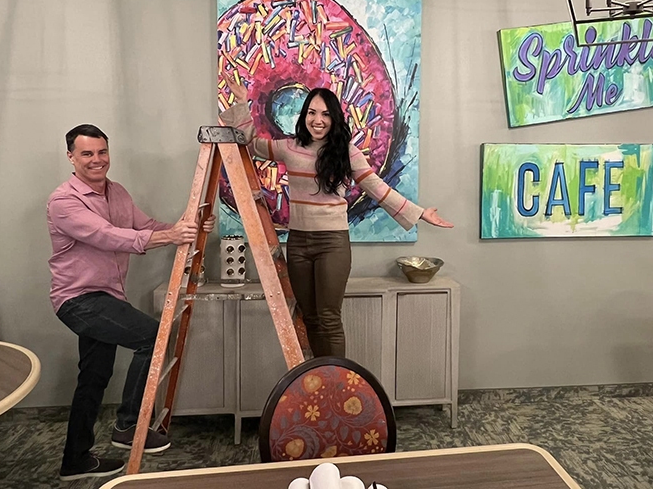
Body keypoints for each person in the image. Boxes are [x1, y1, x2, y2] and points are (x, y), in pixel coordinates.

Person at [220, 85, 453, 358]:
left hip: (332, 244)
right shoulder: (290, 147)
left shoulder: (347, 153)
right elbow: (250, 144)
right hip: (298, 244)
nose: (317, 120)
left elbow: (376, 188)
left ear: (334, 118)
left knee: (329, 318)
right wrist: (240, 103)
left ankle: (335, 379)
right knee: (309, 317)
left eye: (325, 114)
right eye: (312, 113)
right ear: (304, 116)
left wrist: (420, 213)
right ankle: (318, 376)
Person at [47, 124, 215, 481]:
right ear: (71, 157)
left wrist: (190, 228)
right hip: (78, 300)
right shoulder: (63, 202)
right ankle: (128, 426)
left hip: (106, 298)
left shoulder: (117, 192)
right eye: (87, 153)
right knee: (152, 336)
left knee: (93, 379)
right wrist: (170, 236)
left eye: (102, 152)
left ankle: (75, 461)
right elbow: (109, 237)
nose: (97, 160)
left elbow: (147, 225)